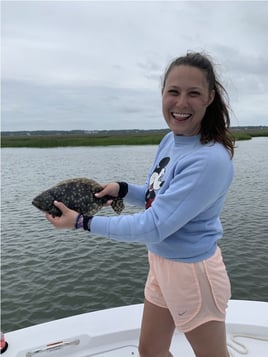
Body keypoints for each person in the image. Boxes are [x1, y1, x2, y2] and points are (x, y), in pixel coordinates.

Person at [46, 52, 235, 357]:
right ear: (162, 93)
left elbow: (155, 225)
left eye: (193, 93)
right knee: (150, 351)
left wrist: (82, 222)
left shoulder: (209, 160)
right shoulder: (171, 140)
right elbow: (157, 198)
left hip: (191, 272)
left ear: (210, 98)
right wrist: (121, 190)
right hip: (160, 264)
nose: (181, 103)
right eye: (173, 91)